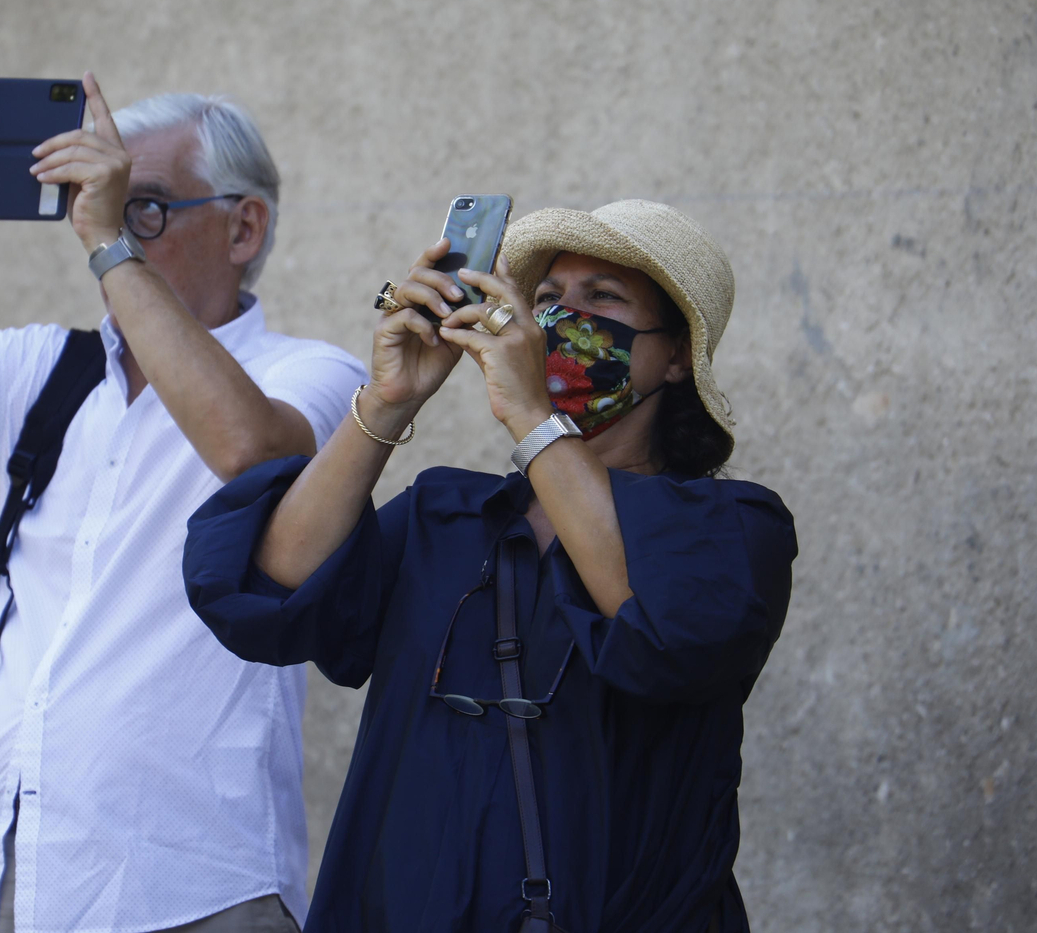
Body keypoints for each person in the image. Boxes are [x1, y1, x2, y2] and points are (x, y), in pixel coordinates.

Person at [0, 62, 365, 932]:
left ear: (245, 228)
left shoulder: (310, 373)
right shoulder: (40, 369)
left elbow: (249, 451)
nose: (110, 227)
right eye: (99, 202)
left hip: (191, 884)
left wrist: (109, 245)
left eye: (141, 204)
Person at [183, 200, 797, 933]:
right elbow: (268, 590)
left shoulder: (731, 530)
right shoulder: (445, 513)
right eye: (545, 301)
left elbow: (661, 631)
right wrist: (388, 401)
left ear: (674, 357)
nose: (556, 323)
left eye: (602, 299)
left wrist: (532, 417)